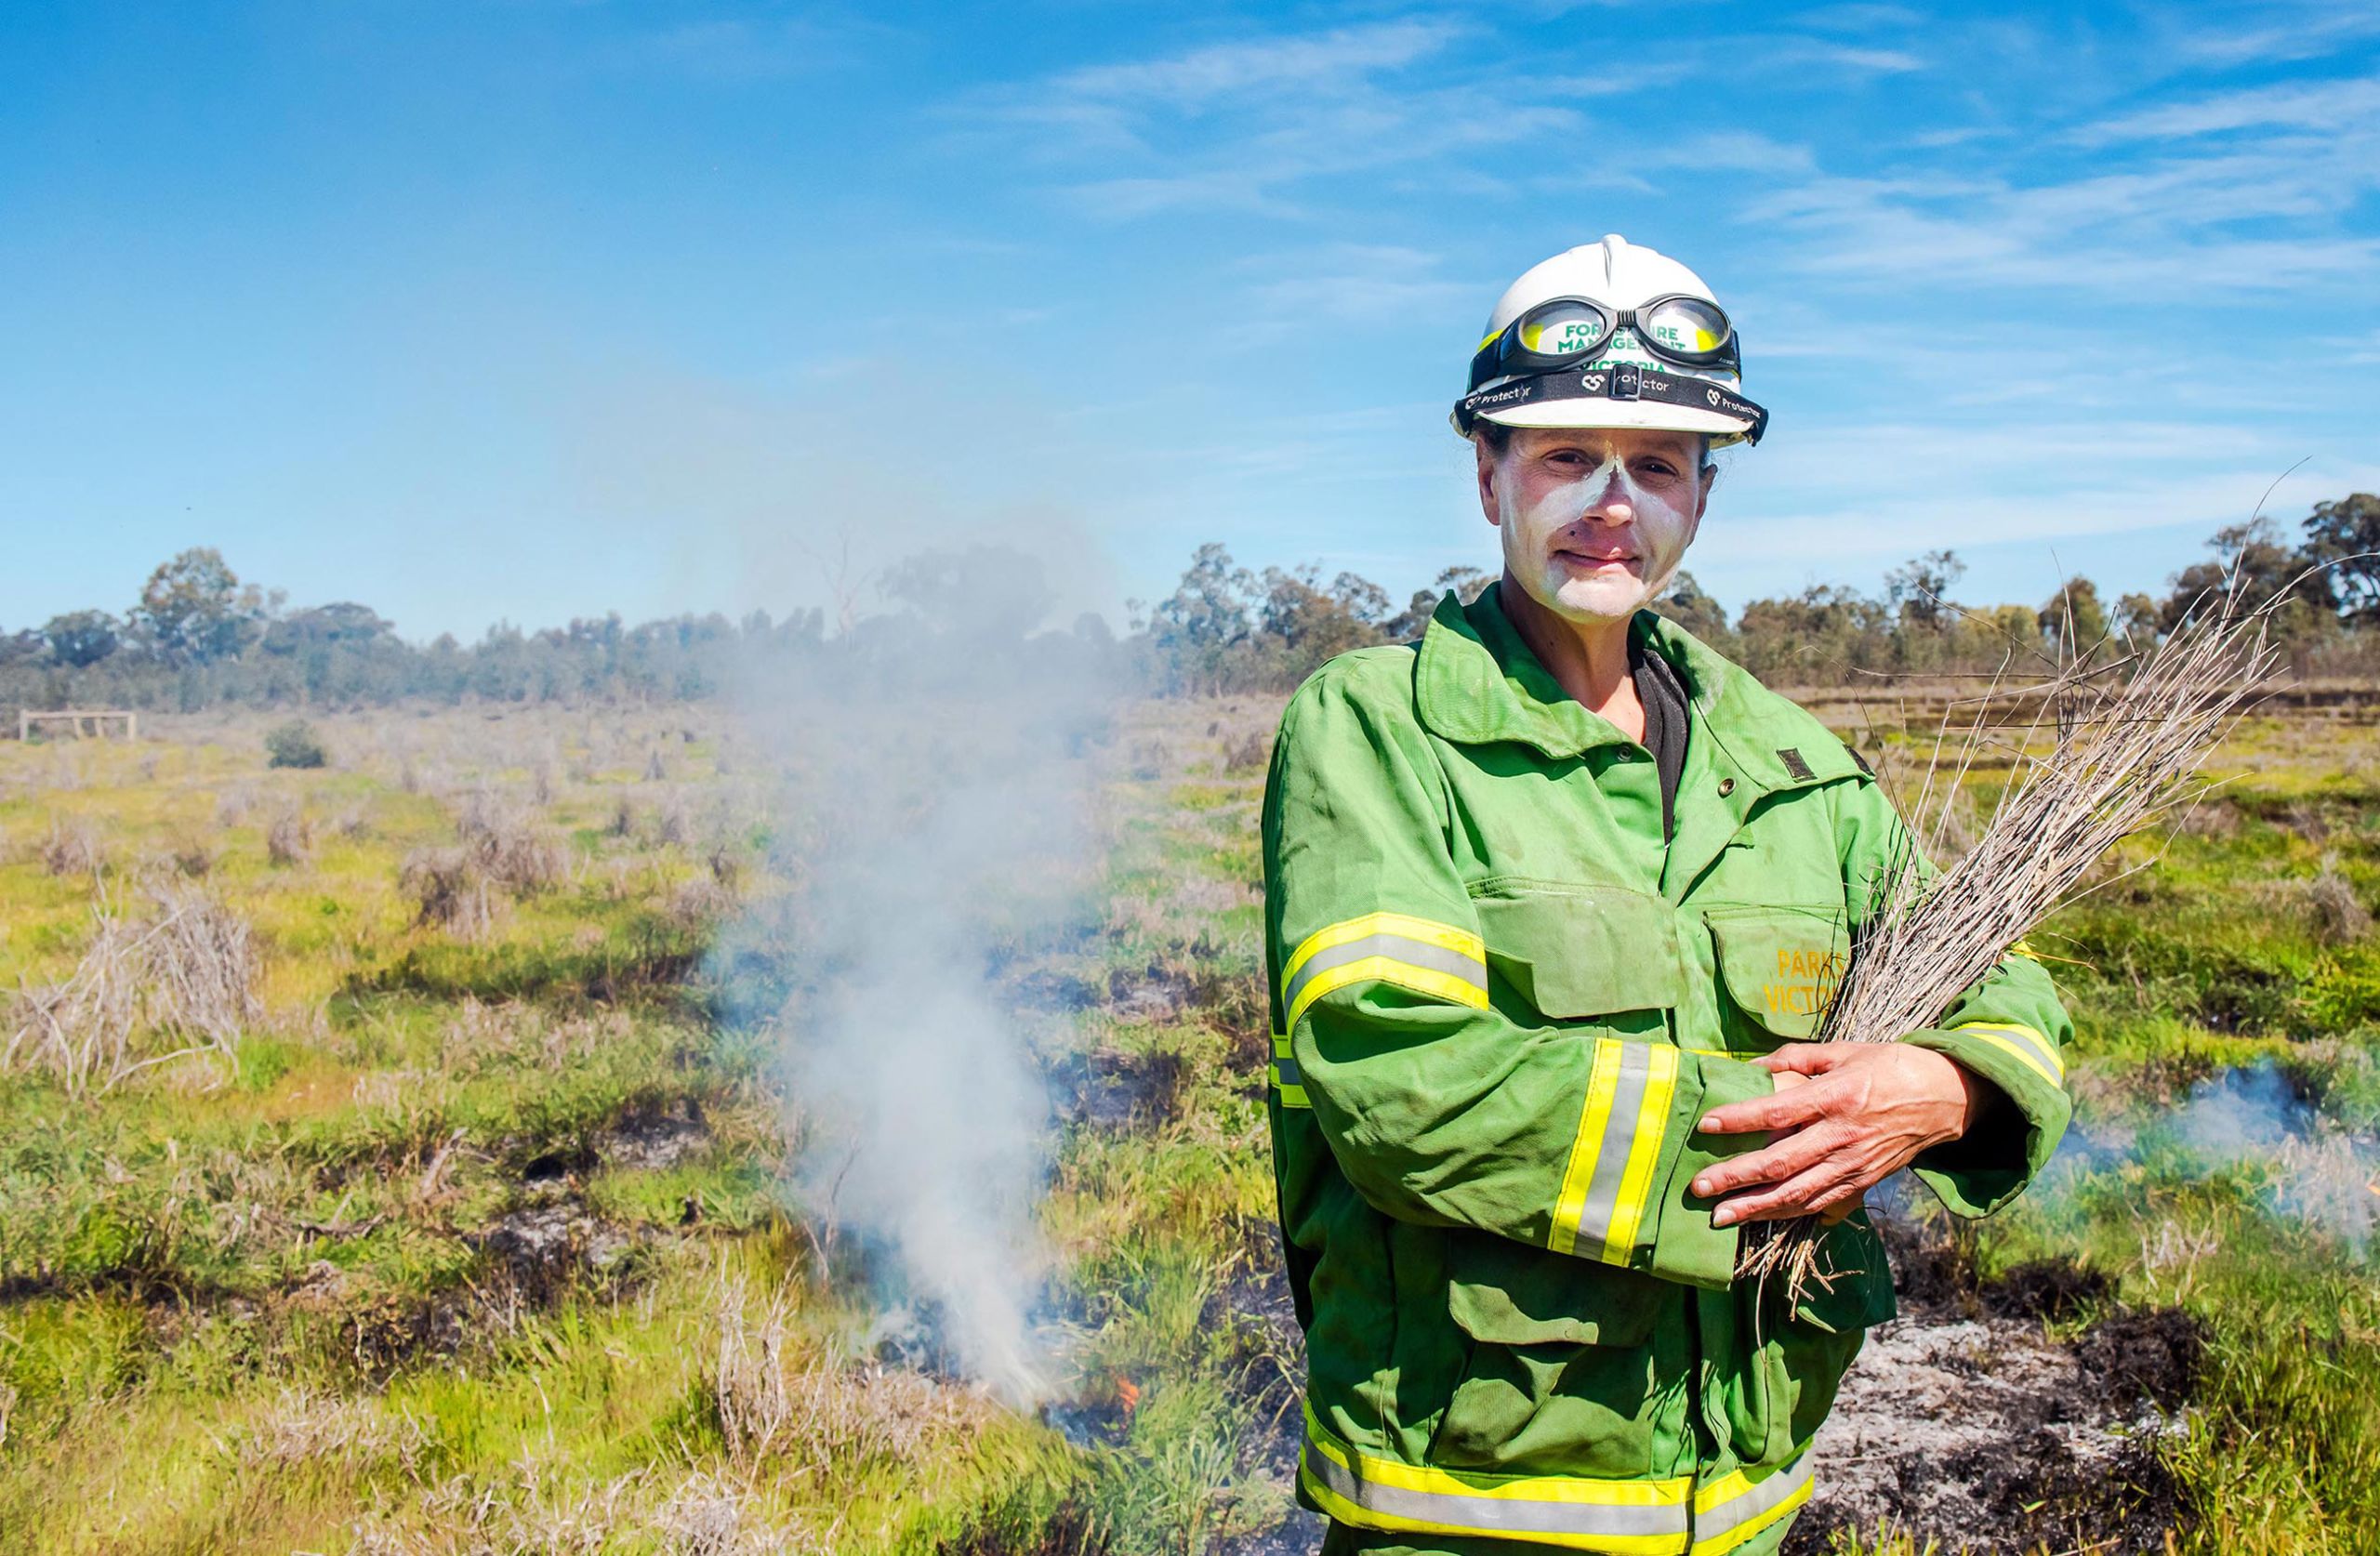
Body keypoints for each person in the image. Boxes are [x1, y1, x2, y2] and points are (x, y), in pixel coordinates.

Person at [1260, 235, 2073, 1556]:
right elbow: (1396, 1076)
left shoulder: (1797, 764)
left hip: (1748, 1508)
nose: (1611, 503)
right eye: (1565, 455)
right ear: (1487, 476)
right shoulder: (1375, 730)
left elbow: (2006, 986)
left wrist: (1947, 1089)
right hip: (1469, 1515)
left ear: (1704, 494)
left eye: (1655, 464)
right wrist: (1787, 1145)